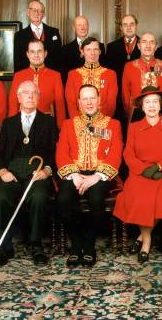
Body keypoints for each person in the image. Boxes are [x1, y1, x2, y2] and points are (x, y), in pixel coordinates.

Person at [0, 81, 57, 267]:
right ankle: (4, 246)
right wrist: (2, 171)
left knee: (39, 196)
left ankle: (36, 245)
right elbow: (0, 153)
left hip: (37, 174)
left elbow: (54, 152)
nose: (30, 96)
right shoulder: (8, 123)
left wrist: (47, 170)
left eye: (34, 93)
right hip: (11, 174)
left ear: (38, 97)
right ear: (18, 97)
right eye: (25, 93)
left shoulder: (49, 121)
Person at [113, 86, 162, 263]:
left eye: (155, 102)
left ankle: (143, 239)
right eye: (147, 102)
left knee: (159, 198)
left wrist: (159, 168)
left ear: (161, 105)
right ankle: (147, 238)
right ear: (141, 106)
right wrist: (145, 170)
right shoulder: (134, 127)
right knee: (139, 197)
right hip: (139, 174)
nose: (151, 106)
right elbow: (128, 154)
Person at [56, 85, 123, 267]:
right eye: (85, 99)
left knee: (96, 200)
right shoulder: (69, 124)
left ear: (99, 100)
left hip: (100, 175)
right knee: (62, 201)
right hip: (75, 174)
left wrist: (97, 176)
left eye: (92, 98)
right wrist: (74, 175)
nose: (89, 102)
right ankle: (77, 243)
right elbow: (61, 153)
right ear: (78, 102)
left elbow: (116, 154)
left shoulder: (113, 124)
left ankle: (89, 244)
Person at [8, 39, 65, 128]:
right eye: (32, 52)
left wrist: (61, 128)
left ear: (45, 54)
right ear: (27, 54)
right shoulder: (18, 76)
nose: (36, 55)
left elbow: (60, 105)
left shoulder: (55, 76)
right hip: (22, 124)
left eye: (39, 51)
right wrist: (12, 127)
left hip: (47, 125)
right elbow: (13, 104)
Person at [121, 33, 162, 121]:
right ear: (139, 46)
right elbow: (125, 95)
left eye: (151, 42)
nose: (148, 45)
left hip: (160, 112)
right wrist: (131, 112)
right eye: (144, 42)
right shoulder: (129, 66)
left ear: (156, 46)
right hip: (137, 113)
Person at [65, 37, 118, 118]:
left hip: (103, 124)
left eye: (95, 49)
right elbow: (71, 104)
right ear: (82, 52)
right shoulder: (72, 74)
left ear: (100, 52)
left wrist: (100, 123)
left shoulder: (110, 74)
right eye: (88, 49)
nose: (92, 53)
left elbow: (111, 104)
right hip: (79, 125)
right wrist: (79, 123)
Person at [13, 0, 62, 72]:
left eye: (40, 11)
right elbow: (18, 62)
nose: (36, 13)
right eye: (34, 10)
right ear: (28, 13)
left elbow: (59, 58)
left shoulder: (54, 32)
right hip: (28, 77)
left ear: (43, 14)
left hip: (50, 76)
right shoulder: (19, 35)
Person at [59, 15, 106, 83]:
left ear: (88, 27)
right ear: (74, 28)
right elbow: (64, 75)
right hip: (75, 86)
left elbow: (103, 69)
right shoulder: (65, 49)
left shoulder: (100, 46)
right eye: (79, 25)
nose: (82, 28)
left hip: (96, 84)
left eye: (85, 25)